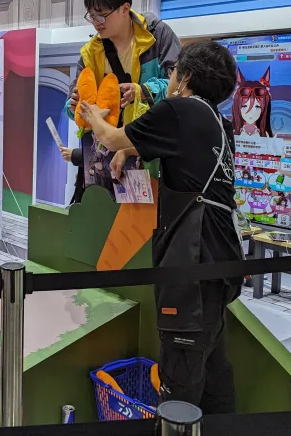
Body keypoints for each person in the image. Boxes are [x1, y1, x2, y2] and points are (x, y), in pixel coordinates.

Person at [79, 41, 243, 414]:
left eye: (172, 72)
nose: (169, 79)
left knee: (180, 385)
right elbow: (170, 149)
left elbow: (110, 137)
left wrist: (92, 116)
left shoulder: (180, 109)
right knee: (214, 376)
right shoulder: (217, 122)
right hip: (220, 263)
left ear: (185, 77)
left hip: (191, 266)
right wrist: (128, 150)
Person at [64, 0, 180, 203]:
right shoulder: (91, 51)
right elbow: (70, 106)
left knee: (138, 218)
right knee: (101, 215)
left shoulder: (157, 36)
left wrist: (142, 91)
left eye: (101, 15)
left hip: (143, 149)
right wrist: (74, 105)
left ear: (125, 9)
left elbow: (180, 89)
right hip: (99, 153)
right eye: (91, 16)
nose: (96, 22)